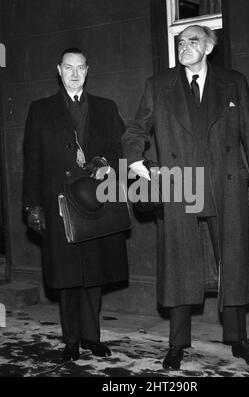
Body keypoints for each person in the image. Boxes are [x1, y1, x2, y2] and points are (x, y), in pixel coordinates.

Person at [122, 25, 249, 370]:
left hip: (227, 184)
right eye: (180, 42)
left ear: (208, 46)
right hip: (181, 185)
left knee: (232, 262)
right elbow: (135, 130)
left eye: (192, 41)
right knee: (179, 265)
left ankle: (238, 339)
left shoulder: (234, 81)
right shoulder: (158, 85)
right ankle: (177, 343)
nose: (183, 46)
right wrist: (136, 162)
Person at [23, 48, 128, 361]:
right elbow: (32, 161)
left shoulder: (106, 108)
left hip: (95, 202)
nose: (74, 73)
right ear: (59, 70)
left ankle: (91, 337)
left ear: (87, 70)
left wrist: (106, 162)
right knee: (67, 276)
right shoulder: (40, 109)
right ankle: (71, 340)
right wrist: (32, 206)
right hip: (58, 205)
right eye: (68, 67)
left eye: (80, 67)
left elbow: (120, 149)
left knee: (93, 274)